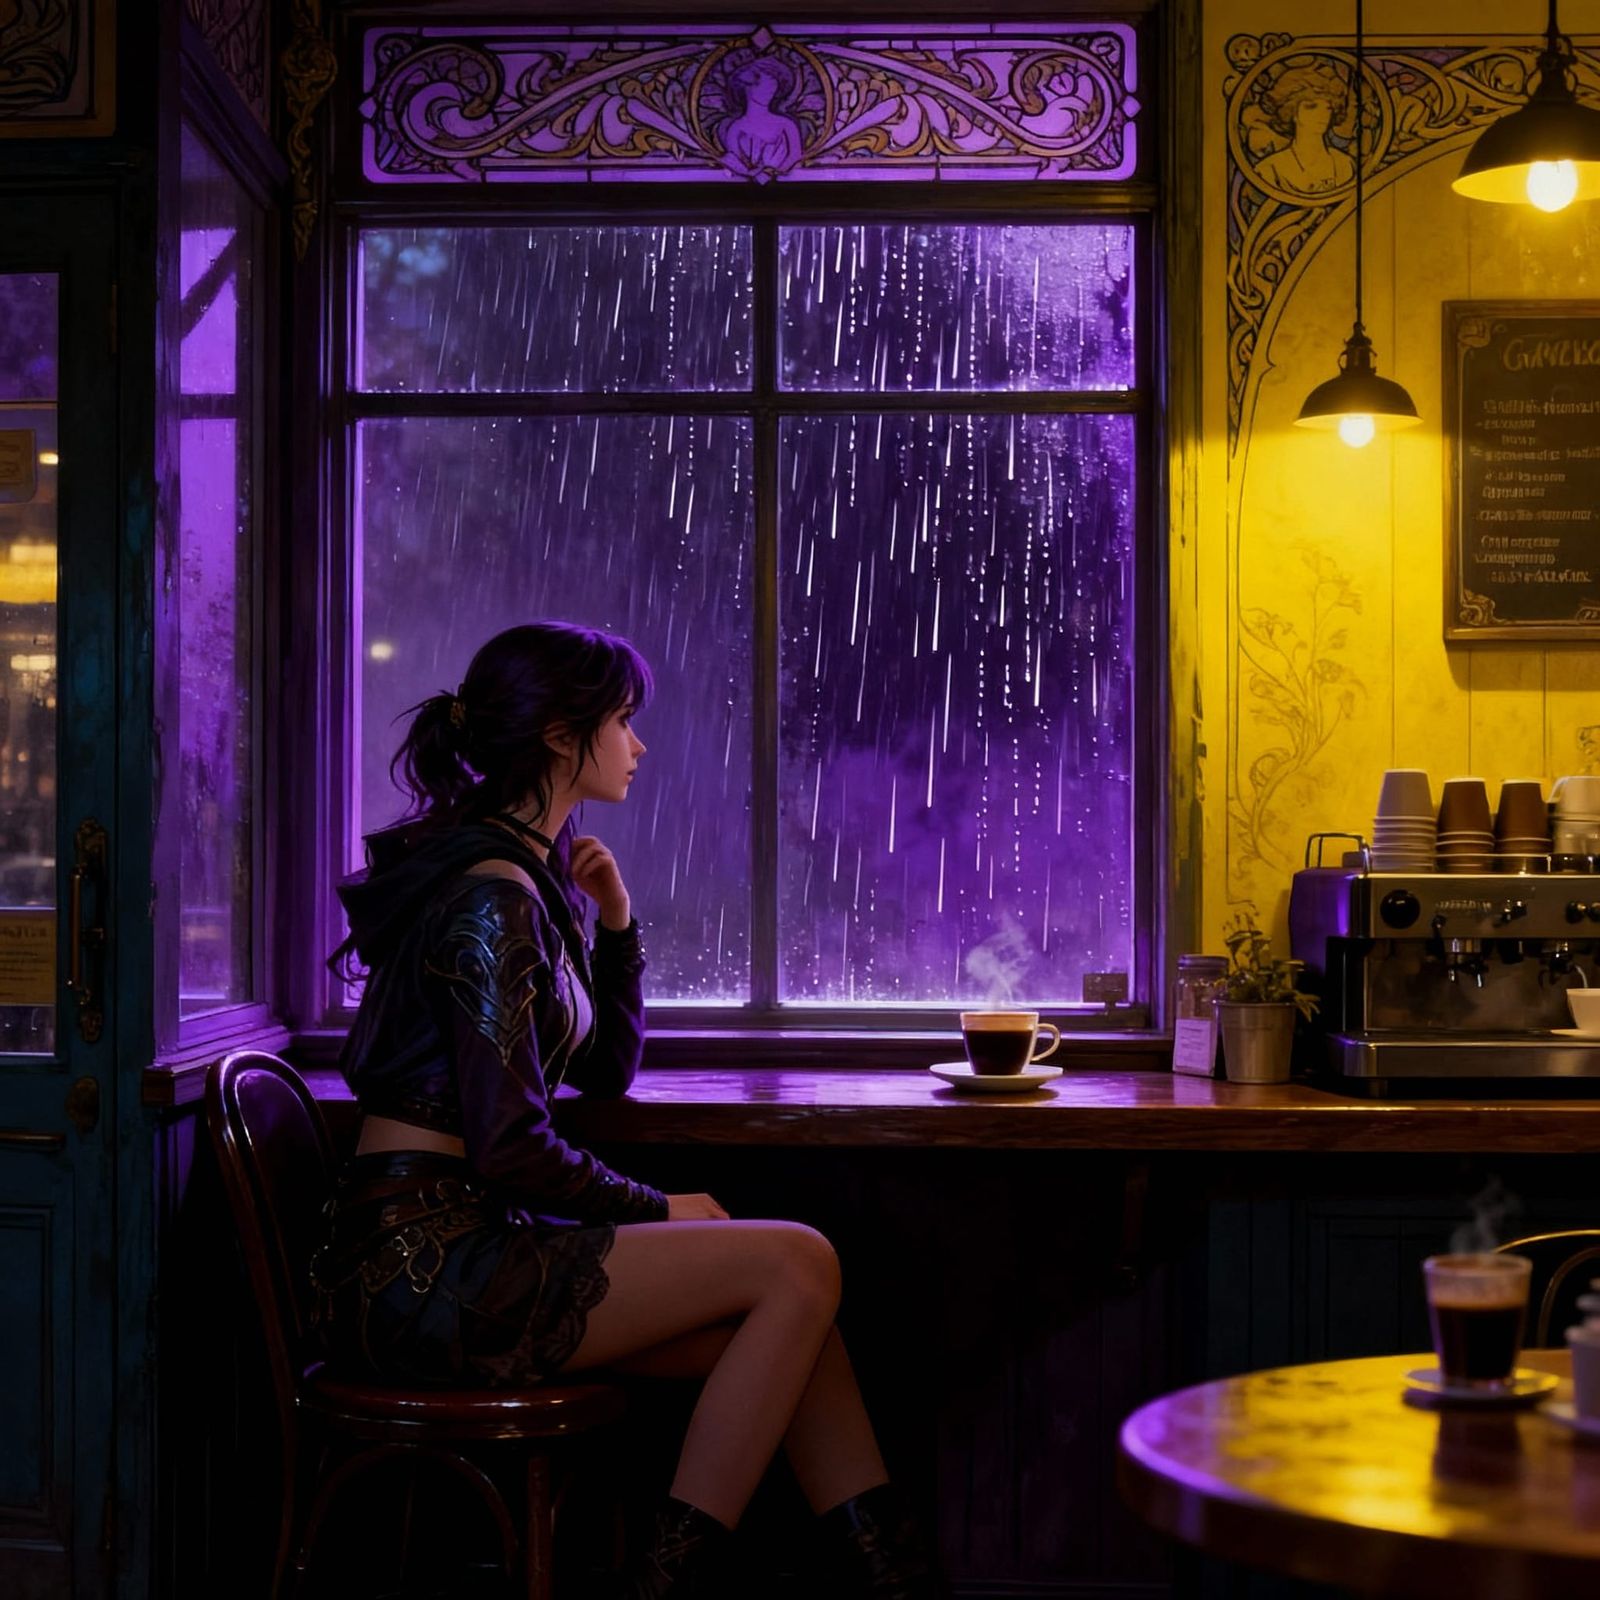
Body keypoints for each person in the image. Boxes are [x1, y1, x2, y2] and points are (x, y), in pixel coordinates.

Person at [313, 621, 944, 1598]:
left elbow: (601, 1074)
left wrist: (614, 925)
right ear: (561, 736)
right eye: (621, 720)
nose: (637, 744)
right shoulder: (492, 892)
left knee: (795, 1320)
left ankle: (895, 1586)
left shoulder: (522, 877)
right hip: (422, 1272)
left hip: (460, 1247)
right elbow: (511, 1145)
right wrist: (657, 1207)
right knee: (800, 1261)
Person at [1252, 61, 1355, 198]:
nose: (1322, 115)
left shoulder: (1345, 163)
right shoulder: (1270, 169)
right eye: (1311, 107)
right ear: (1292, 112)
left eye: (1328, 108)